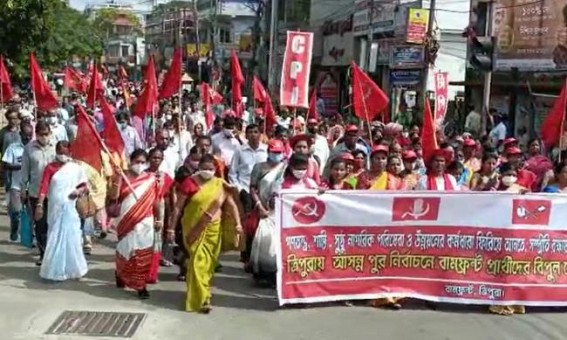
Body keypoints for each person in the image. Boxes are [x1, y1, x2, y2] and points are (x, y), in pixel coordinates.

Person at [167, 154, 242, 313]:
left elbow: (231, 205)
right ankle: (200, 301)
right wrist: (171, 228)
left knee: (208, 266)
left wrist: (238, 224)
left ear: (215, 169)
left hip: (213, 230)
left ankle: (204, 294)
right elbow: (178, 208)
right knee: (197, 262)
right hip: (193, 229)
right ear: (198, 168)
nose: (207, 171)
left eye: (210, 169)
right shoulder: (190, 183)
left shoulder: (220, 185)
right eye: (204, 168)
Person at [109, 149, 160, 299]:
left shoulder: (151, 179)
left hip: (145, 221)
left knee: (142, 252)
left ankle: (140, 285)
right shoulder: (122, 176)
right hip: (126, 220)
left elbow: (156, 201)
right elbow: (113, 197)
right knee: (126, 249)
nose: (139, 165)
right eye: (137, 162)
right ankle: (120, 273)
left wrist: (158, 219)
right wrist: (118, 179)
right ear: (130, 162)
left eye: (143, 162)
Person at [36, 141, 89, 281]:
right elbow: (44, 187)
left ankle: (73, 268)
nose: (62, 155)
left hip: (70, 208)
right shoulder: (50, 168)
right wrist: (40, 205)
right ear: (56, 151)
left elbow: (85, 186)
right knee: (55, 237)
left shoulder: (76, 168)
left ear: (70, 153)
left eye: (65, 152)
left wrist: (78, 191)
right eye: (59, 152)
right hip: (55, 208)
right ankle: (54, 270)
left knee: (71, 238)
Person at [248, 140, 287, 284]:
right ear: (268, 152)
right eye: (274, 152)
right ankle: (260, 273)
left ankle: (275, 274)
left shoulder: (285, 168)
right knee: (262, 241)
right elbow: (252, 188)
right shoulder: (259, 167)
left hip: (279, 210)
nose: (276, 155)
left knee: (275, 244)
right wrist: (259, 206)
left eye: (279, 153)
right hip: (263, 209)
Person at [21, 121, 57, 265]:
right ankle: (44, 254)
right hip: (36, 192)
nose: (44, 137)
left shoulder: (55, 147)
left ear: (50, 133)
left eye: (46, 134)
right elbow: (24, 171)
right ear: (36, 134)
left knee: (53, 224)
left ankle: (53, 251)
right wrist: (23, 189)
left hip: (54, 192)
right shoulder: (29, 149)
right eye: (41, 134)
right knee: (40, 224)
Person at [3, 123, 33, 241]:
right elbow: (6, 164)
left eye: (30, 136)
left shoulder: (34, 148)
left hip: (31, 187)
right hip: (16, 185)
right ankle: (14, 230)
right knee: (16, 212)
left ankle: (29, 236)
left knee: (31, 214)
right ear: (20, 134)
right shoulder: (13, 148)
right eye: (25, 136)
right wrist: (21, 166)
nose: (28, 138)